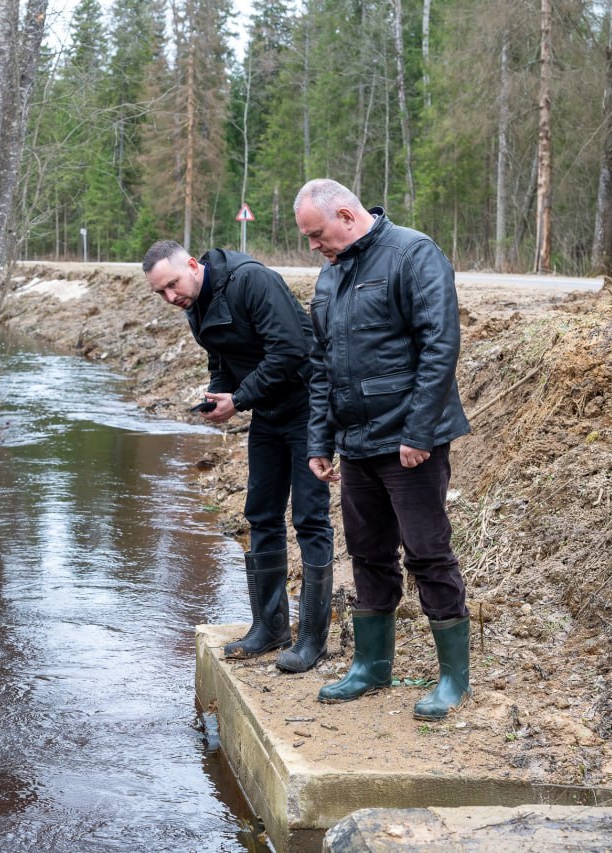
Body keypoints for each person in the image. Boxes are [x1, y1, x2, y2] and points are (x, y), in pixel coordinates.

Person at [294, 178, 473, 721]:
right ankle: (373, 666)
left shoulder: (413, 254)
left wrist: (419, 433)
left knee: (426, 553)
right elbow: (322, 366)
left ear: (346, 215)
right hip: (356, 444)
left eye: (317, 234)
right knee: (368, 553)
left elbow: (440, 346)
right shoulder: (331, 276)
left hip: (409, 444)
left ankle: (452, 678)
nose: (314, 246)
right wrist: (320, 440)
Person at [142, 240, 334, 673]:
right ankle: (270, 627)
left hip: (307, 407)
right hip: (267, 411)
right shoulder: (195, 302)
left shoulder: (252, 281)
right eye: (161, 293)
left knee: (309, 518)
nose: (171, 297)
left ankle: (312, 640)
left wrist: (240, 398)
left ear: (193, 265)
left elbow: (291, 350)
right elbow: (220, 357)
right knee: (261, 514)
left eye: (173, 284)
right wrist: (218, 394)